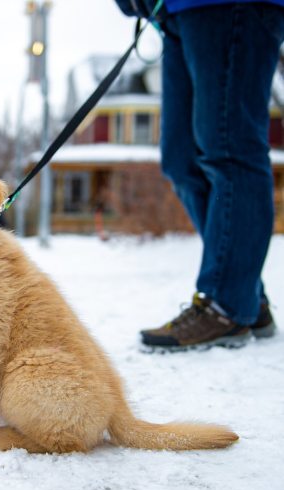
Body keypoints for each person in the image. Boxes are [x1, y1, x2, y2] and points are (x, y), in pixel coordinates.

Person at [115, 0, 284, 349]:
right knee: (182, 160)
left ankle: (226, 305)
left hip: (233, 7)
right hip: (176, 13)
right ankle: (246, 294)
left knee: (231, 150)